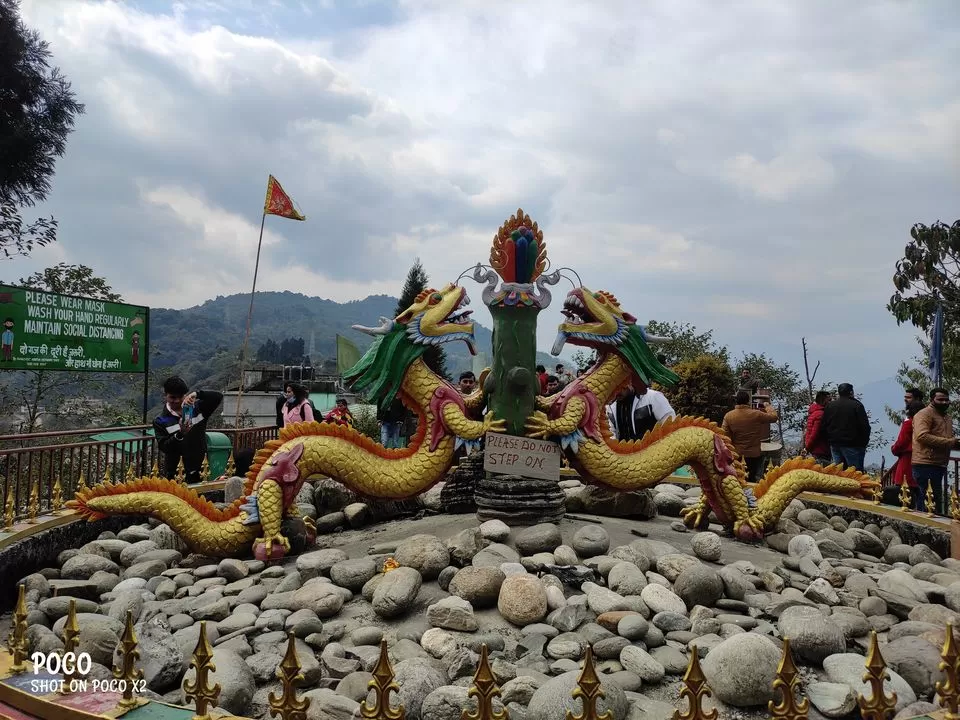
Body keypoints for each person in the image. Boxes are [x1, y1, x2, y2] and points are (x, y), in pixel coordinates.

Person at [153, 376, 223, 483]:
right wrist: (180, 434)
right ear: (165, 396)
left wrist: (196, 394)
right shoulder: (160, 420)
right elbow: (164, 446)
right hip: (177, 473)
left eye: (180, 397)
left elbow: (217, 397)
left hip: (201, 469)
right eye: (172, 397)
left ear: (185, 395)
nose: (176, 401)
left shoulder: (198, 409)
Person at [912, 388, 959, 515]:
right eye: (940, 399)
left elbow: (947, 439)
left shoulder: (947, 417)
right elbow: (922, 436)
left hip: (939, 463)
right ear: (932, 400)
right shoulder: (924, 414)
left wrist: (955, 443)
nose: (944, 402)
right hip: (925, 462)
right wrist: (950, 442)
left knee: (935, 499)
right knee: (927, 499)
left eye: (946, 400)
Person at [721, 390, 778, 483]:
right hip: (754, 455)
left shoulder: (728, 416)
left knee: (737, 480)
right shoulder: (756, 414)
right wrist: (767, 406)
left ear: (736, 401)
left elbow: (725, 436)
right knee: (753, 481)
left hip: (737, 455)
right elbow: (774, 417)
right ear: (748, 401)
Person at [821, 383, 871, 471]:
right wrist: (863, 443)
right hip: (853, 445)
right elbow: (865, 427)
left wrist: (829, 440)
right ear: (851, 392)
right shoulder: (856, 405)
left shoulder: (830, 406)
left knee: (839, 473)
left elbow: (823, 426)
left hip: (835, 445)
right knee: (855, 474)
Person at [606, 382, 676, 441]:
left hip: (656, 451)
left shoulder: (653, 397)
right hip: (627, 455)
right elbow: (611, 435)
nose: (616, 392)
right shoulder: (611, 408)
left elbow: (671, 425)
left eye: (619, 386)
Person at [892, 400, 924, 509]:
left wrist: (894, 449)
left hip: (907, 459)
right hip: (921, 457)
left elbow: (902, 441)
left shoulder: (909, 423)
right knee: (920, 491)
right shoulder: (924, 423)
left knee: (905, 487)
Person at [804, 391, 832, 465]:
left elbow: (808, 432)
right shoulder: (821, 414)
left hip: (814, 449)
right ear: (824, 400)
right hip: (821, 450)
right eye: (829, 400)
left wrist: (807, 447)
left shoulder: (813, 413)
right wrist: (808, 448)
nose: (831, 402)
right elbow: (815, 434)